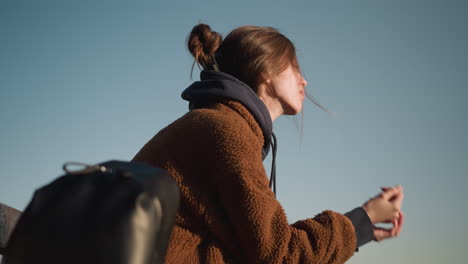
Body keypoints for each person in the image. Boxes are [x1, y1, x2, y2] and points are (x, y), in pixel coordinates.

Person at [132, 24, 405, 264]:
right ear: (266, 70)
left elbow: (253, 250)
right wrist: (363, 220)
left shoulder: (219, 123)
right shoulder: (227, 131)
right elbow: (279, 254)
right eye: (295, 67)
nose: (304, 80)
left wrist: (362, 230)